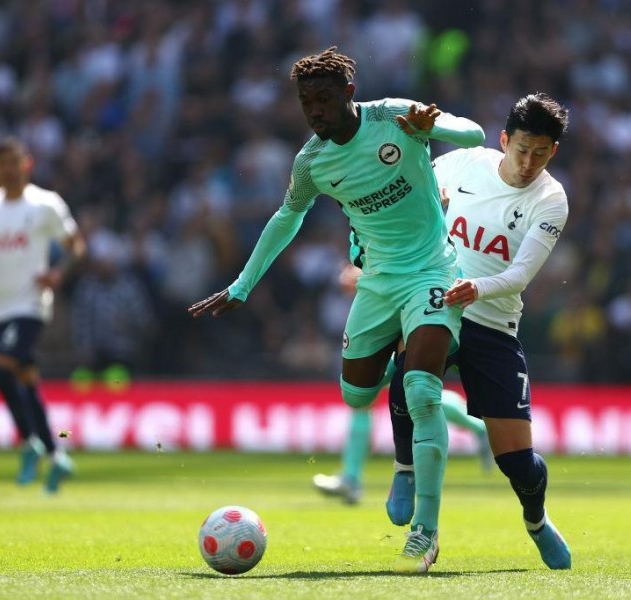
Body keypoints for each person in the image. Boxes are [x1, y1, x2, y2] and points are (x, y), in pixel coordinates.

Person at [189, 47, 484, 573]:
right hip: (376, 285)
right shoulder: (311, 162)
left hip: (433, 272)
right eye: (306, 103)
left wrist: (433, 126)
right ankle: (409, 438)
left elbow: (475, 136)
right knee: (356, 392)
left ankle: (426, 530)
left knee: (421, 389)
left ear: (349, 93)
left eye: (324, 100)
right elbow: (286, 219)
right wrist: (241, 285)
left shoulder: (394, 116)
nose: (315, 112)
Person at [386, 93, 573, 569]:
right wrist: (429, 197)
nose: (528, 162)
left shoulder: (551, 199)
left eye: (541, 152)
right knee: (411, 374)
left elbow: (519, 277)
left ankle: (536, 519)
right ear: (504, 141)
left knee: (519, 465)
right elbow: (410, 189)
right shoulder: (465, 163)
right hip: (438, 306)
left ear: (553, 151)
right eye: (522, 149)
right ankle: (406, 468)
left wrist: (476, 288)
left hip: (493, 323)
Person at [0, 137, 86, 494]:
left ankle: (30, 442)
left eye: (16, 162)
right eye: (3, 164)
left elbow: (76, 245)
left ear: (27, 164)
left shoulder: (46, 204)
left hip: (30, 304)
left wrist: (58, 272)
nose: (10, 169)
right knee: (25, 378)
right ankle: (57, 454)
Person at [312, 264, 492, 506]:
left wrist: (365, 279)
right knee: (398, 392)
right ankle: (479, 428)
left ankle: (354, 479)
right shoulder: (374, 233)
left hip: (420, 318)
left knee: (408, 391)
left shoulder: (426, 235)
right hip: (394, 322)